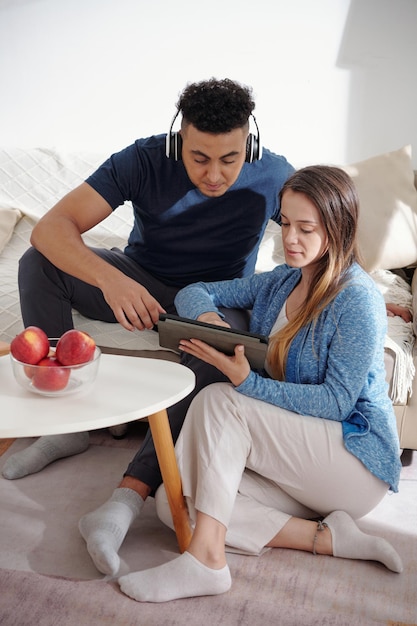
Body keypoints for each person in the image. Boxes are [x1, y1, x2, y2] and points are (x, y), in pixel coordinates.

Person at [2, 77, 294, 558]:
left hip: (215, 301)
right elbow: (52, 228)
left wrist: (351, 288)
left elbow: (327, 233)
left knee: (226, 343)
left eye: (229, 159)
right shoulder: (141, 159)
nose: (215, 175)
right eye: (199, 158)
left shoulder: (275, 174)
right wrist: (112, 280)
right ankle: (66, 429)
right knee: (39, 262)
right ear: (178, 138)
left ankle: (124, 498)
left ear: (251, 143)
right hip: (140, 280)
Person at [115, 165, 403, 603]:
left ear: (338, 230)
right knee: (178, 508)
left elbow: (337, 403)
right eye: (285, 223)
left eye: (306, 228)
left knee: (220, 399)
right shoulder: (282, 281)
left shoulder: (357, 299)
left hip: (354, 460)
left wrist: (248, 383)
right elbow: (195, 290)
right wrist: (211, 321)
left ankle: (206, 563)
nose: (290, 239)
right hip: (304, 460)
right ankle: (327, 537)